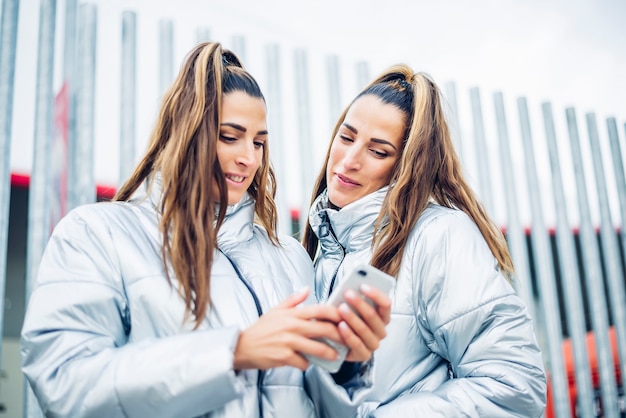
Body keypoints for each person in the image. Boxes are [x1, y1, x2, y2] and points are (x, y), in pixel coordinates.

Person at [20, 42, 391, 418]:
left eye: (259, 142)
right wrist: (233, 351)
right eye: (230, 136)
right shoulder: (99, 235)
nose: (249, 157)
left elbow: (313, 401)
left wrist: (344, 367)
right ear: (186, 131)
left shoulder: (290, 258)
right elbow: (63, 383)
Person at [302, 64, 547, 417]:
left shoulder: (438, 236)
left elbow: (514, 386)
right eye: (346, 136)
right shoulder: (313, 253)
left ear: (406, 166)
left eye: (378, 151)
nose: (350, 160)